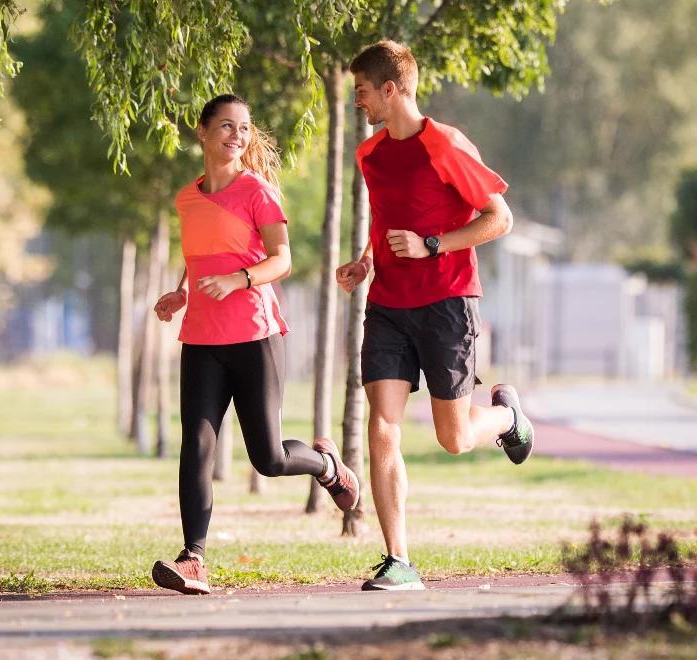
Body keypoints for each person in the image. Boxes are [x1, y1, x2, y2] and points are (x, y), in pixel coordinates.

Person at [335, 41, 536, 592]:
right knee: (382, 426)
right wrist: (365, 261)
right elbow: (384, 218)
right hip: (388, 306)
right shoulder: (370, 154)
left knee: (454, 438)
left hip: (447, 302)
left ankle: (508, 418)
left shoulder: (444, 145)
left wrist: (432, 244)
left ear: (392, 90)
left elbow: (500, 218)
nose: (360, 103)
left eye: (364, 92)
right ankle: (398, 559)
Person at [149, 94, 360, 596]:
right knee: (196, 444)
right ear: (202, 132)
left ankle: (328, 466)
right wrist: (181, 290)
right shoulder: (187, 197)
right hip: (201, 335)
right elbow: (201, 254)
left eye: (243, 128)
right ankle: (193, 558)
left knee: (267, 457)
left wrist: (240, 280)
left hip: (254, 334)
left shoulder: (257, 190)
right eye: (225, 126)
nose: (236, 136)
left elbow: (281, 259)